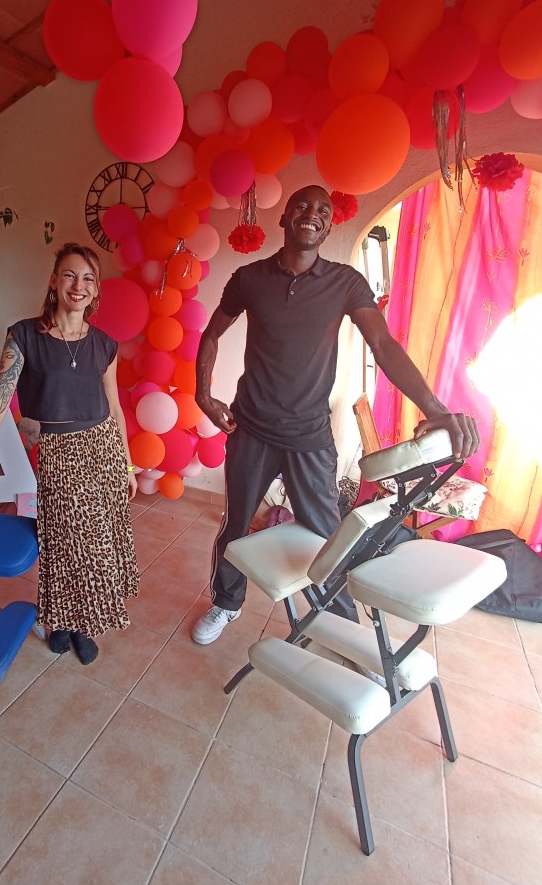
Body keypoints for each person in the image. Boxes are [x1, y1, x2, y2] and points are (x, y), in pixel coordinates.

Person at [191, 184, 479, 646]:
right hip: (251, 430)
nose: (313, 214)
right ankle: (226, 602)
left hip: (309, 436)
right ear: (284, 217)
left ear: (328, 226)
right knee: (236, 524)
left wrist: (436, 408)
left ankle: (342, 626)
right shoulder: (249, 278)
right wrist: (203, 394)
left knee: (327, 533)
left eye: (323, 210)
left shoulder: (345, 283)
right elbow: (210, 335)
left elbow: (382, 345)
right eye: (302, 206)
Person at [0, 242, 139, 665]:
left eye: (88, 278)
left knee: (93, 545)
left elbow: (115, 408)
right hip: (58, 453)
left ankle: (81, 624)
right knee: (61, 541)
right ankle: (59, 619)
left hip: (102, 448)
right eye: (69, 275)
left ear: (96, 289)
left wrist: (126, 464)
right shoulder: (25, 336)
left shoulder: (105, 345)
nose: (78, 285)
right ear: (53, 280)